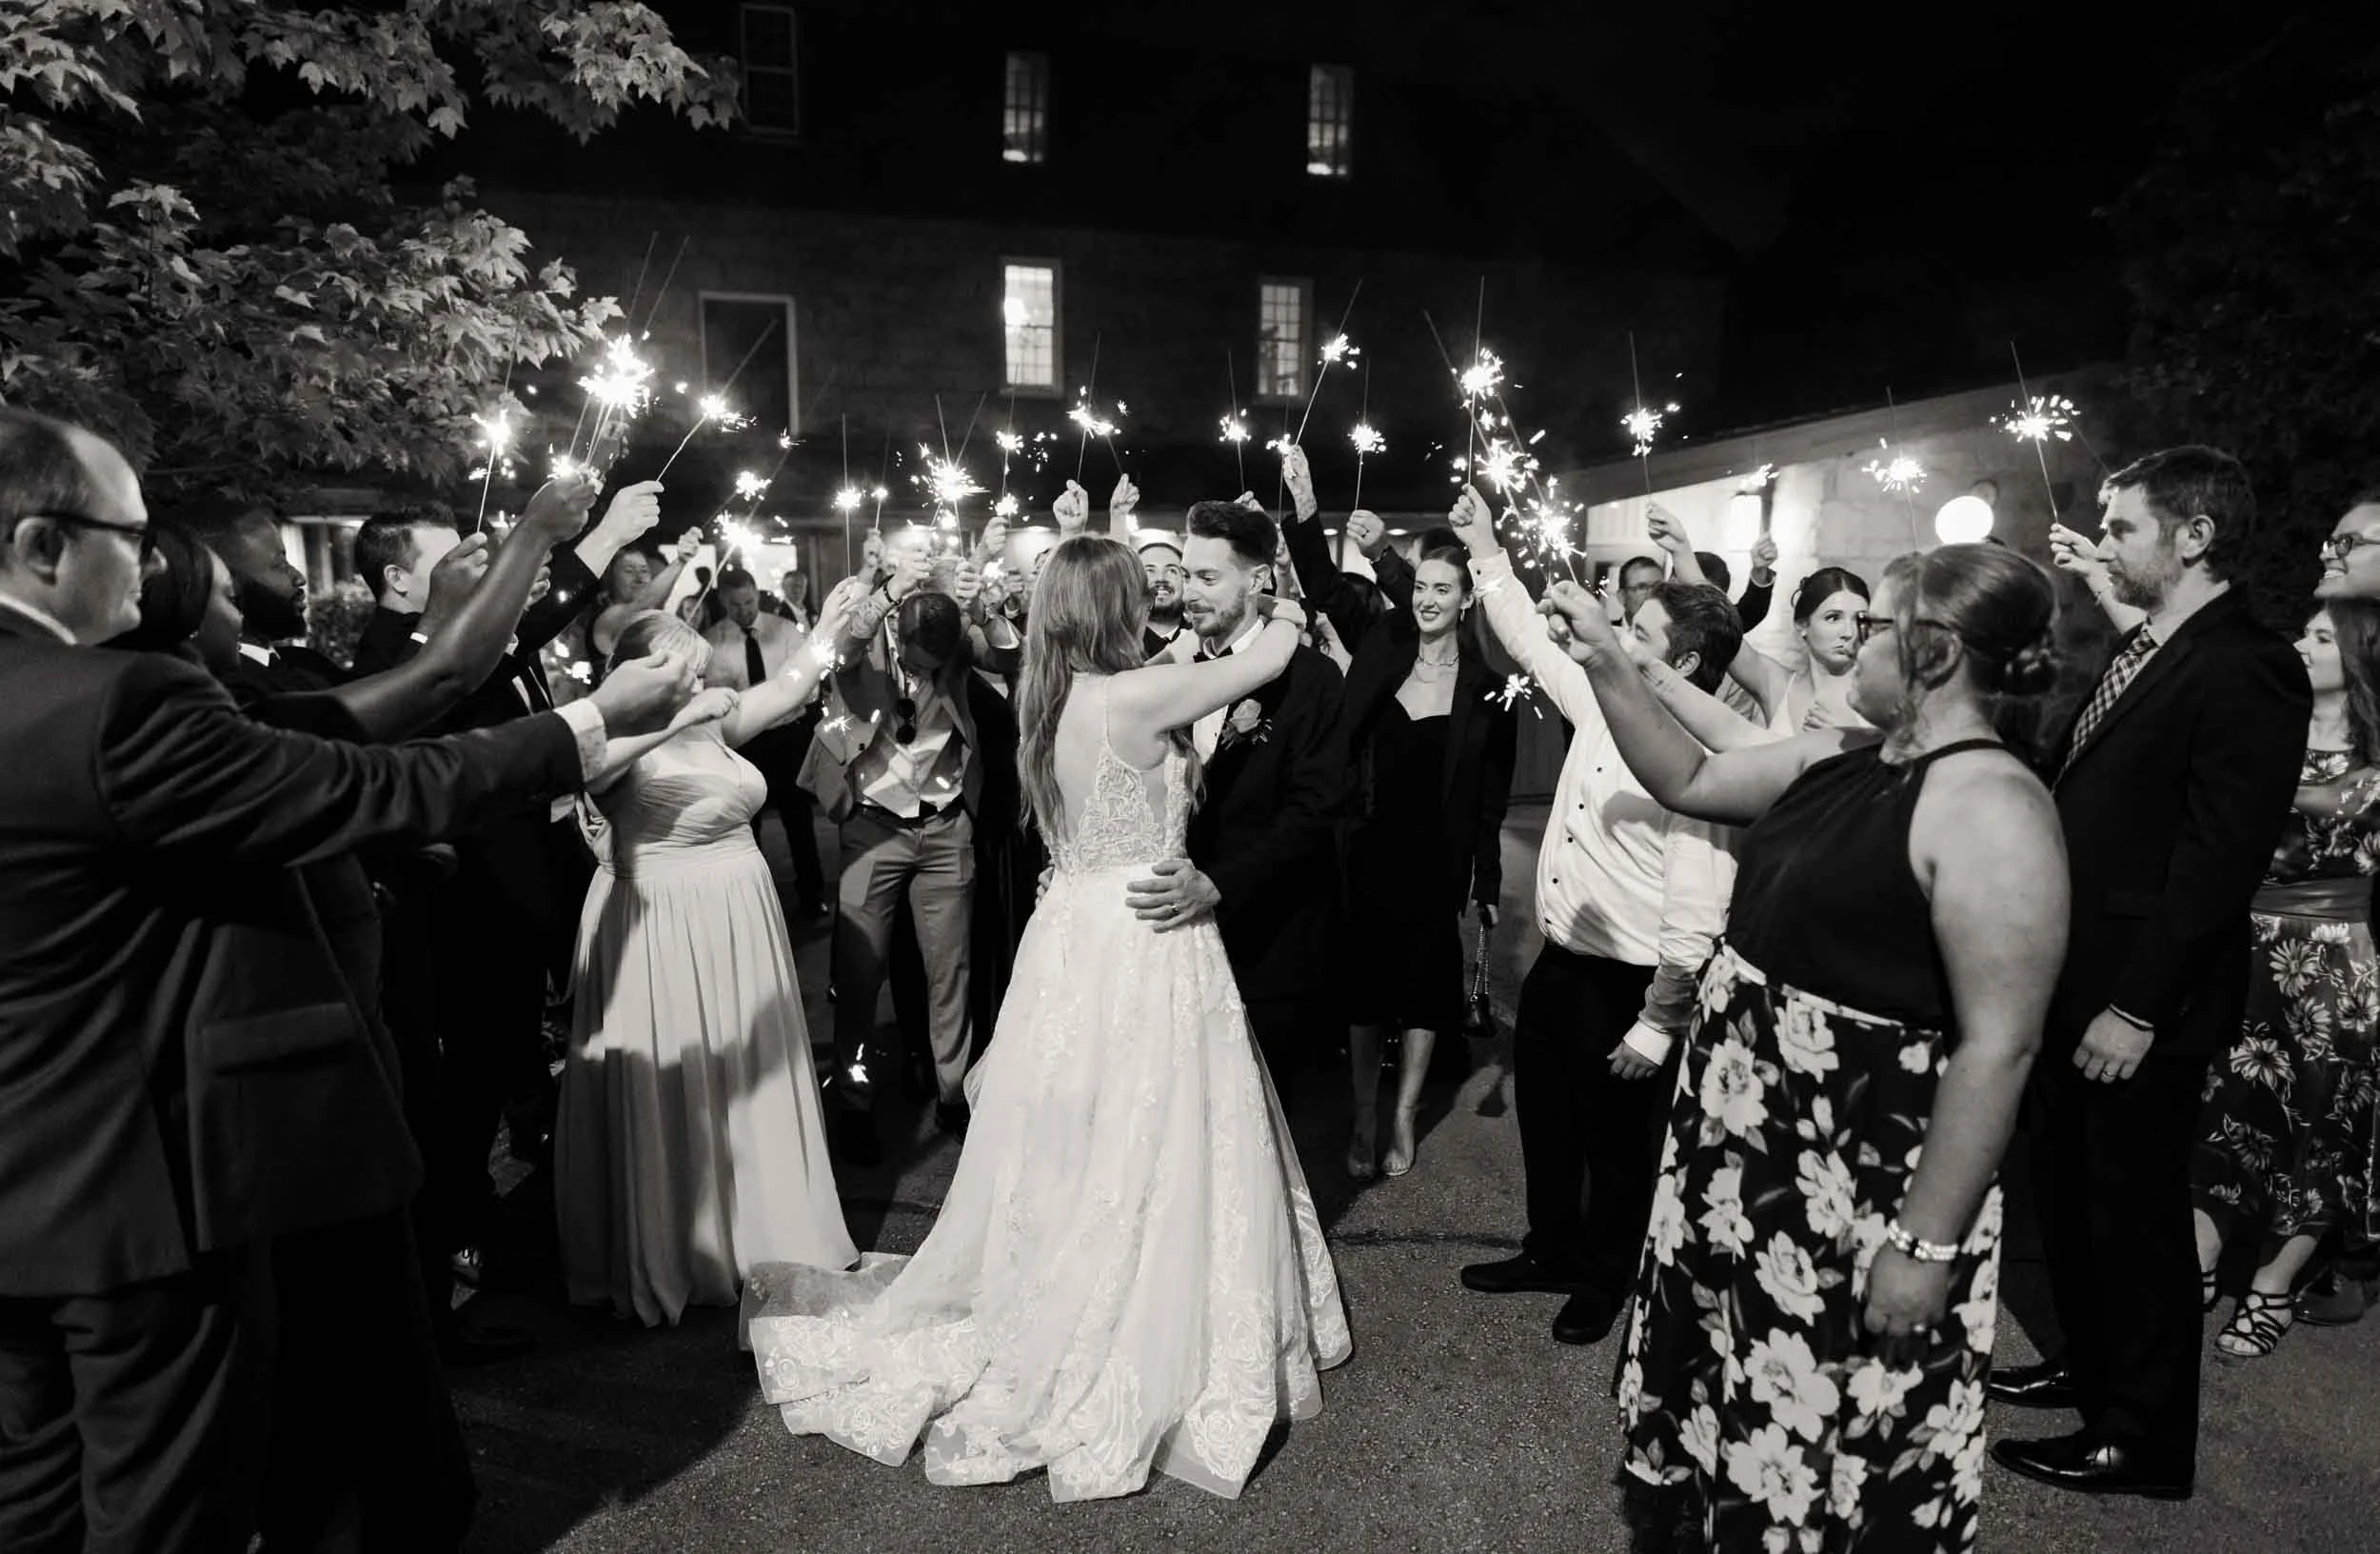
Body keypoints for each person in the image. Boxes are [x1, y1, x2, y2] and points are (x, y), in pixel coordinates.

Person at [0, 408, 700, 1554]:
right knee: (162, 1505)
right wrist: (589, 722)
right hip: (131, 1195)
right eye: (131, 534)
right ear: (40, 547)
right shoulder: (115, 702)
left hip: (19, 1186)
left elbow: (337, 733)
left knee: (30, 1497)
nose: (156, 562)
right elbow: (362, 790)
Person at [746, 534, 1349, 1499]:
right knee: (1155, 1121)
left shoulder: (1055, 695)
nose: (1160, 593)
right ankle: (1135, 1305)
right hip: (1142, 936)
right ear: (1111, 608)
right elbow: (1270, 659)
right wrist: (1278, 593)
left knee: (1083, 1131)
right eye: (1142, 587)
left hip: (1074, 929)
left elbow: (1177, 682)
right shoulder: (1135, 696)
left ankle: (1075, 1268)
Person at [1531, 522, 2071, 1548]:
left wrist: (1923, 1247)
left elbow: (1998, 1049)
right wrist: (1606, 658)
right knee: (1735, 1404)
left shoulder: (1990, 807)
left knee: (1833, 1440)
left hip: (1856, 1182)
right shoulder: (1849, 755)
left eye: (1874, 627)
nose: (1851, 642)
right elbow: (1685, 781)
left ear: (1936, 655)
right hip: (1750, 1159)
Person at [1992, 447, 2311, 1501]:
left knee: (2131, 1216)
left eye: (2123, 526)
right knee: (2073, 1197)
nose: (2105, 539)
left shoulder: (2247, 663)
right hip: (2077, 978)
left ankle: (2142, 1436)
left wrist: (2137, 1003)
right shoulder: (2164, 645)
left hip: (2139, 1000)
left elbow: (2215, 862)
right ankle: (2093, 1368)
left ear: (2194, 535)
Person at [1446, 487, 1744, 1348]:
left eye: (1639, 633)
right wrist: (1487, 551)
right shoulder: (1597, 702)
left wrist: (1662, 1018)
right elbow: (1534, 642)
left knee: (1618, 1148)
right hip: (1563, 963)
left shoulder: (1697, 758)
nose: (1619, 636)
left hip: (1636, 984)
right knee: (1548, 1121)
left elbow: (1699, 897)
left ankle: (1604, 1278)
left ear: (1682, 667)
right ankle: (1549, 1249)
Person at [557, 595, 863, 1328]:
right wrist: (672, 717)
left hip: (738, 917)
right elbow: (587, 774)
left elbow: (790, 687)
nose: (699, 685)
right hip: (663, 924)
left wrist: (830, 630)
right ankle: (682, 1245)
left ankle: (764, 1227)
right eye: (684, 673)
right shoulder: (614, 734)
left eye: (701, 673)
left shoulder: (710, 721)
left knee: (746, 1070)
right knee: (685, 1075)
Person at [1279, 458, 1513, 1181]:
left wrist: (1488, 879)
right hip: (1366, 842)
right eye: (1424, 586)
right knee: (1363, 988)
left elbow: (1491, 794)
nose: (1431, 599)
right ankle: (1363, 1110)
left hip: (1436, 858)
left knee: (1419, 989)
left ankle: (1405, 1112)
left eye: (1447, 588)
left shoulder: (1489, 690)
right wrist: (1307, 506)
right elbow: (1322, 585)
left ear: (1469, 599)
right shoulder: (1386, 645)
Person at [2185, 601, 2380, 1356]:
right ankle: (2198, 1259)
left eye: (2321, 637)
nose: (2300, 644)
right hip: (2244, 941)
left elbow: (2344, 804)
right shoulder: (2267, 724)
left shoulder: (2373, 750)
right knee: (2219, 1103)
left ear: (2360, 657)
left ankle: (2271, 1286)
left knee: (2323, 1126)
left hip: (2337, 959)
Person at [1130, 489, 1349, 1104]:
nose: (1189, 591)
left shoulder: (1310, 679)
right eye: (1182, 575)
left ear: (1258, 579)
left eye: (1206, 576)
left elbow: (1317, 810)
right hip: (1172, 934)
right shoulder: (1169, 671)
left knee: (1259, 1115)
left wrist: (1219, 883)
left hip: (1268, 936)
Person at [801, 544, 996, 1164]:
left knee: (950, 975)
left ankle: (952, 1096)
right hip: (871, 830)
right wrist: (886, 589)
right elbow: (842, 643)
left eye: (932, 665)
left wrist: (981, 600)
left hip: (944, 832)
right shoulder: (869, 645)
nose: (921, 673)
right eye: (914, 661)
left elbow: (1008, 653)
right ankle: (855, 1105)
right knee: (856, 978)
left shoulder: (956, 653)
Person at [704, 566, 828, 918]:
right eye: (734, 605)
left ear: (757, 594)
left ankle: (812, 892)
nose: (743, 610)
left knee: (799, 819)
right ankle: (752, 901)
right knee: (747, 823)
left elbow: (810, 686)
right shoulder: (713, 641)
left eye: (748, 601)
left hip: (788, 735)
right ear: (723, 602)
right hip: (744, 741)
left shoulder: (784, 630)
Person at [1138, 531, 1189, 658]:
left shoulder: (1208, 642)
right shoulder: (1112, 645)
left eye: (1171, 571)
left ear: (1186, 581)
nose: (1160, 578)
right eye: (1149, 571)